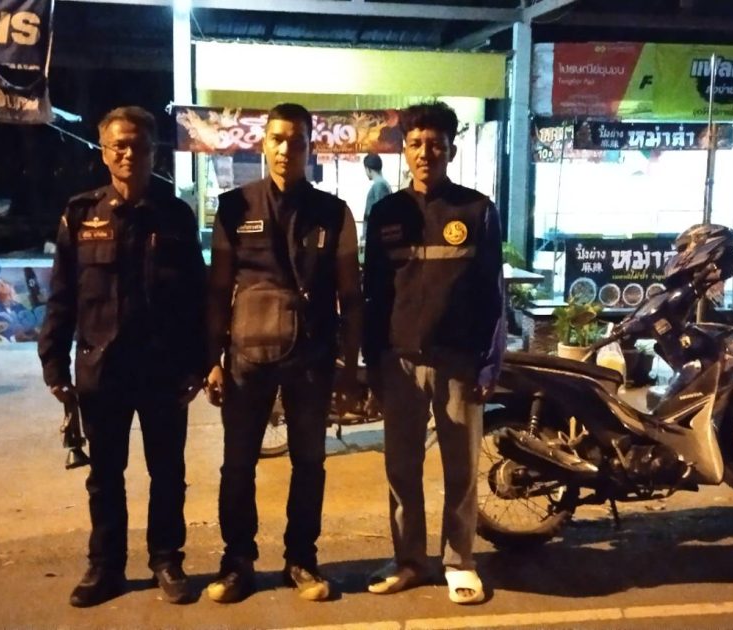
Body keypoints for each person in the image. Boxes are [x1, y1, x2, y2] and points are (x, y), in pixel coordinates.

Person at [38, 106, 208, 608]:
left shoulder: (175, 215)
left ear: (153, 152)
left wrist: (199, 365)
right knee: (105, 476)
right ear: (104, 152)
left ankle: (167, 560)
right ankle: (106, 567)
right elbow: (62, 295)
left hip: (163, 370)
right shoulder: (80, 214)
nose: (129, 154)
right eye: (119, 145)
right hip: (103, 369)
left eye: (138, 145)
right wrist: (53, 364)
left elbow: (196, 298)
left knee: (168, 473)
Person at [203, 102, 362, 604]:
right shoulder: (233, 207)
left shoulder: (334, 212)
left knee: (309, 463)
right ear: (263, 143)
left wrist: (351, 366)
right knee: (237, 464)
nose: (285, 148)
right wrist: (212, 360)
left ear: (310, 147)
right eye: (276, 138)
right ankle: (237, 563)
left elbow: (351, 295)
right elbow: (218, 290)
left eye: (296, 140)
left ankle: (302, 560)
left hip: (312, 359)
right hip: (246, 359)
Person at [362, 101, 504, 605]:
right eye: (416, 144)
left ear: (451, 151)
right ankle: (409, 560)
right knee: (401, 469)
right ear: (404, 150)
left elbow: (493, 293)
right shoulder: (386, 214)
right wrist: (372, 361)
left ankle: (460, 562)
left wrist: (490, 362)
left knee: (460, 471)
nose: (426, 153)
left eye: (436, 145)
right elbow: (374, 293)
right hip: (399, 362)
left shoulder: (477, 210)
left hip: (459, 362)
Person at [363, 152, 392, 221]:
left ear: (368, 169)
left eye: (365, 169)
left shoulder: (379, 185)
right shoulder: (382, 183)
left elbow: (381, 213)